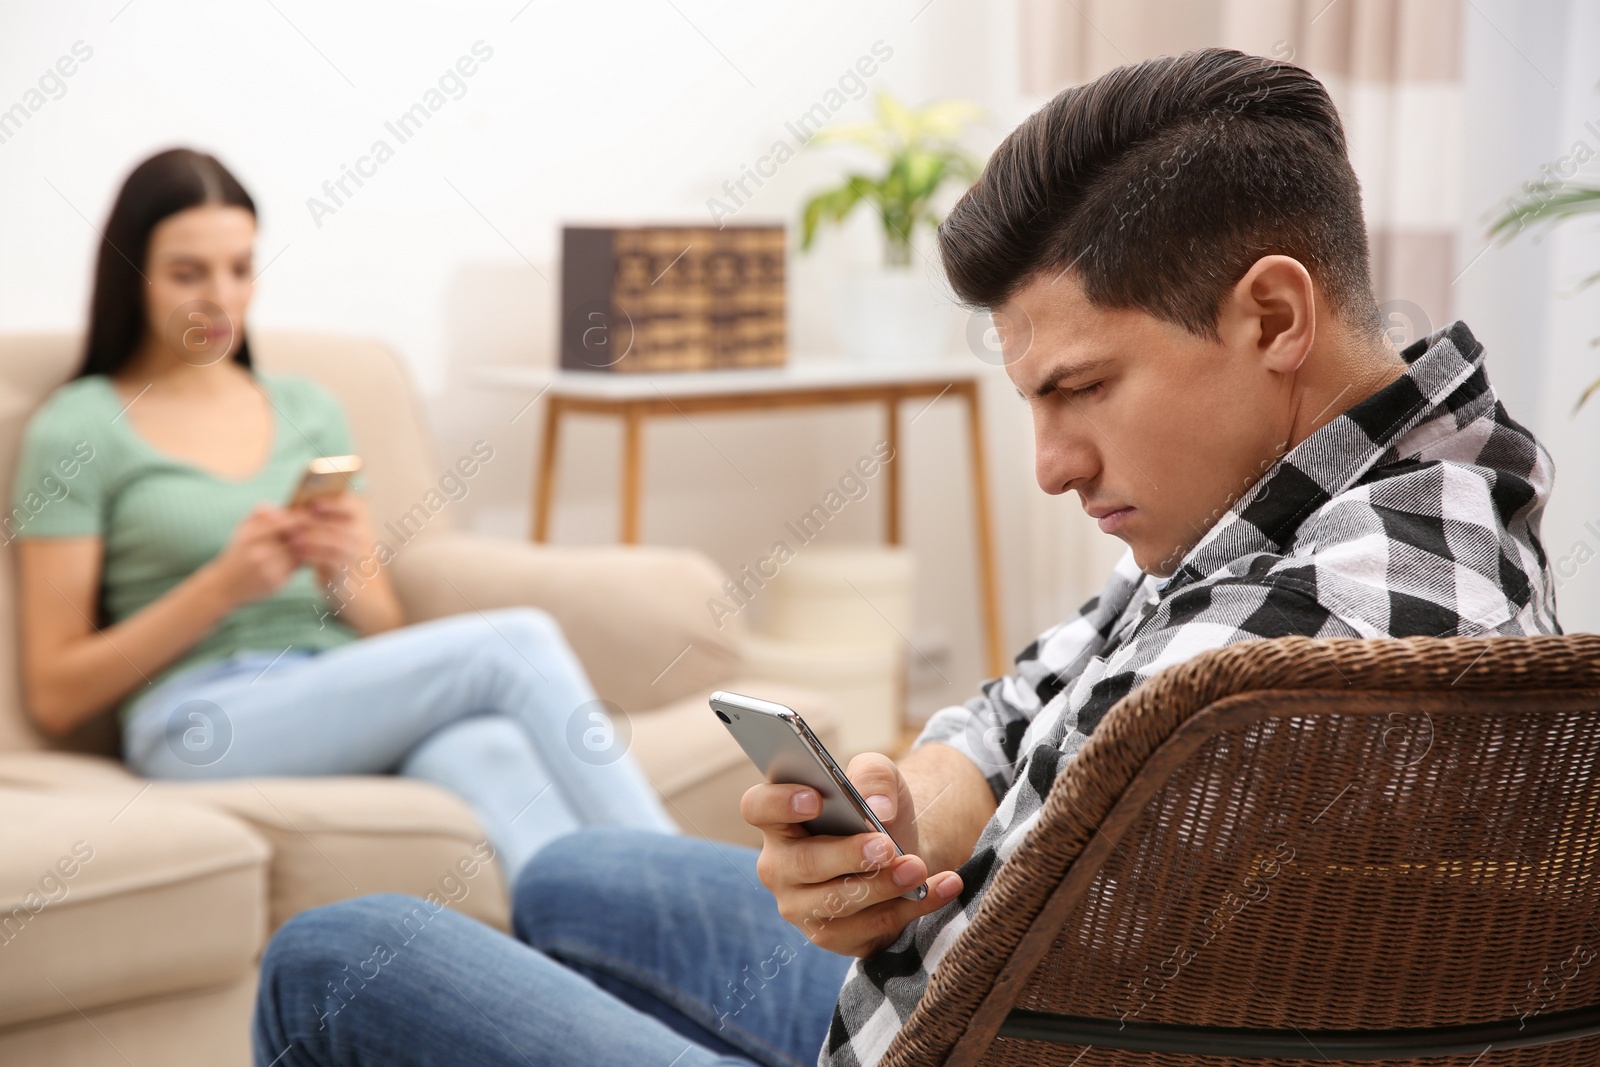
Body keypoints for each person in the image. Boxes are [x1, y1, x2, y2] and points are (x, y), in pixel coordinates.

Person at [249, 48, 1559, 1067]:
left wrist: (889, 894)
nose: (1051, 462)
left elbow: (983, 1002)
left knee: (339, 953)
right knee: (574, 871)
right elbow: (1029, 698)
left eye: (1082, 387)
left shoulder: (1304, 645)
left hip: (935, 1028)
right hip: (967, 992)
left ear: (1272, 312)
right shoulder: (1344, 499)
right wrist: (906, 811)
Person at [8, 148, 679, 883]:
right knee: (512, 643)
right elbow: (55, 692)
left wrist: (350, 570)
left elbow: (385, 634)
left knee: (495, 756)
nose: (220, 297)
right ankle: (705, 898)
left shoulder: (308, 407)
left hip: (339, 687)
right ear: (130, 274)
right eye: (186, 273)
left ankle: (625, 971)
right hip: (197, 718)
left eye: (240, 267)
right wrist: (220, 588)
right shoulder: (78, 428)